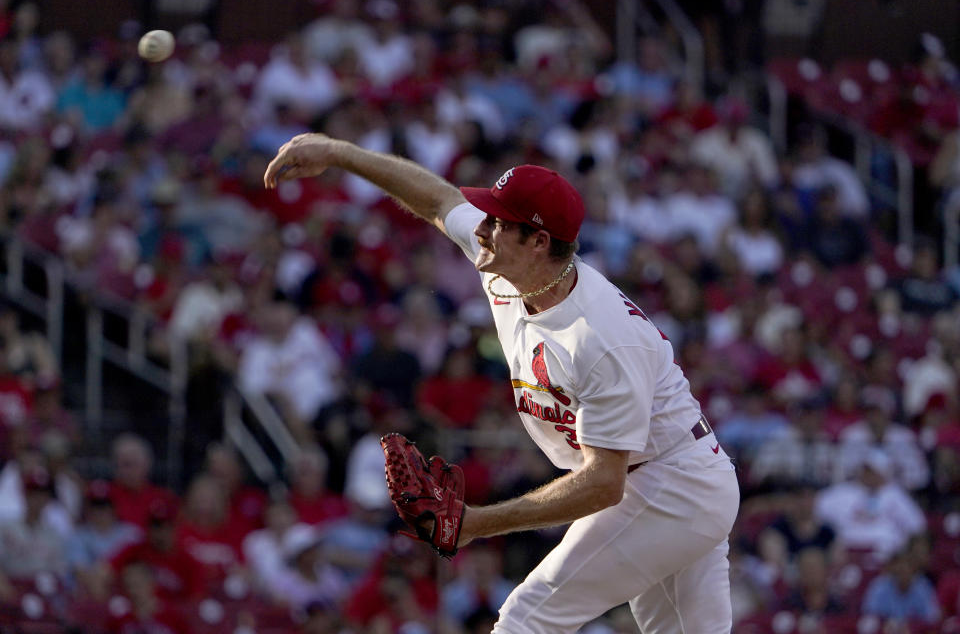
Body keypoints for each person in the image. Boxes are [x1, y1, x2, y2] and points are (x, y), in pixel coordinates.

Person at [264, 133, 740, 633]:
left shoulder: (600, 339)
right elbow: (438, 199)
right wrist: (341, 153)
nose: (484, 228)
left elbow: (603, 484)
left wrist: (477, 523)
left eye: (498, 222)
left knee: (527, 619)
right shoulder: (511, 266)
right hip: (669, 477)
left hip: (669, 483)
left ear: (538, 242)